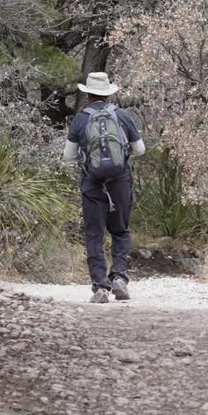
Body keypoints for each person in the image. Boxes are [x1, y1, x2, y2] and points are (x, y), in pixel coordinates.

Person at [63, 72, 145, 303]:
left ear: (87, 93)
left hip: (92, 183)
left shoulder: (80, 119)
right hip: (120, 181)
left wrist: (88, 157)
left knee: (94, 234)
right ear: (108, 93)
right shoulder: (122, 115)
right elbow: (140, 150)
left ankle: (100, 288)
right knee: (120, 231)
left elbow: (68, 155)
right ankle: (119, 277)